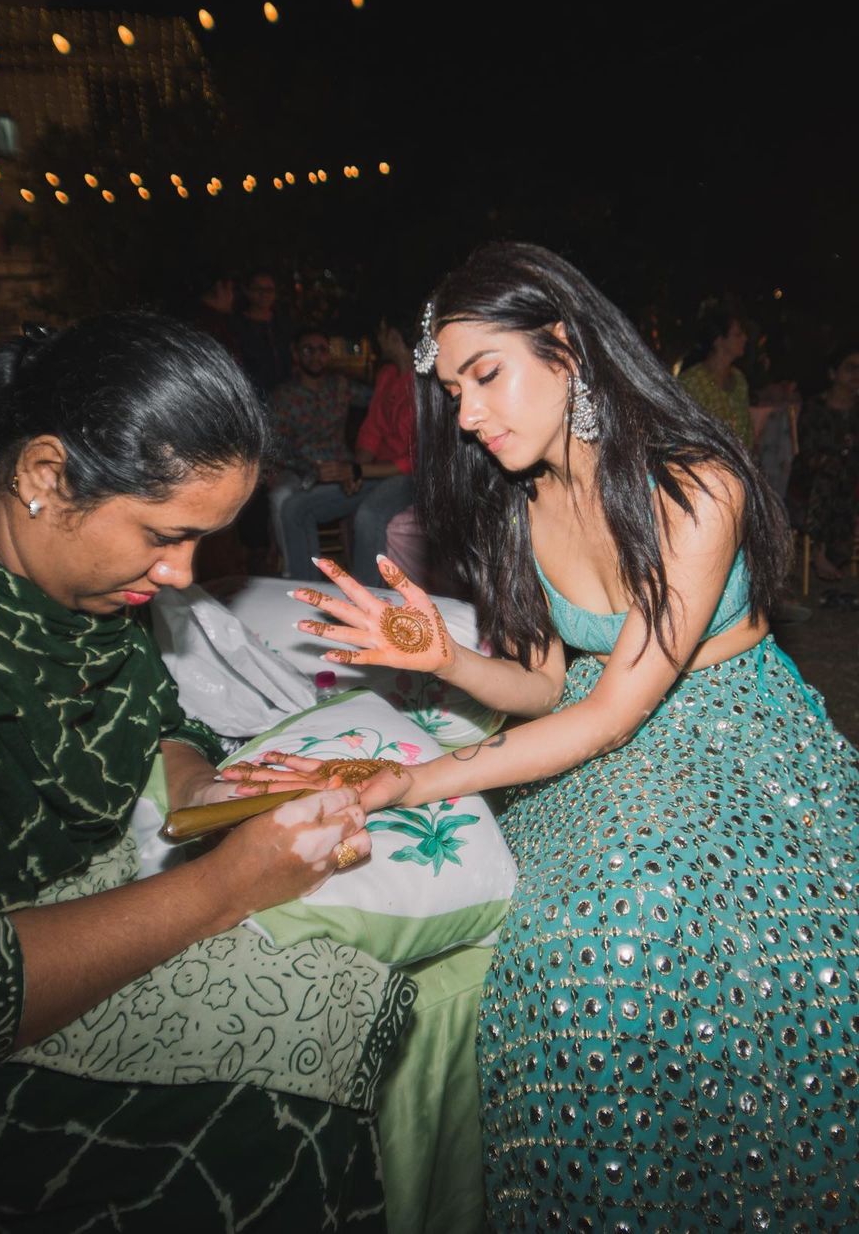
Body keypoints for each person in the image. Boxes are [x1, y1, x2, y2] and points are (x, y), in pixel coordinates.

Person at [227, 245, 859, 1230]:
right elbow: (551, 686)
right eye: (454, 391)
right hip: (596, 742)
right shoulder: (523, 504)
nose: (469, 415)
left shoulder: (697, 486)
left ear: (565, 349)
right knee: (533, 934)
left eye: (487, 375)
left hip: (735, 740)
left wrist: (402, 784)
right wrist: (443, 655)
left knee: (632, 923)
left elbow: (611, 711)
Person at [0, 313, 414, 1232]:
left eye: (203, 538)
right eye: (165, 534)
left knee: (343, 996)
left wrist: (199, 786)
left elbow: (153, 710)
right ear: (46, 475)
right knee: (254, 1142)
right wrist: (224, 889)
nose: (180, 572)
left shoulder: (53, 561)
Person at [279, 316, 416, 586]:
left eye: (382, 333)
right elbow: (372, 431)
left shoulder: (424, 384)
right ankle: (306, 590)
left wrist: (359, 469)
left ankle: (364, 603)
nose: (379, 339)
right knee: (295, 508)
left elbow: (415, 460)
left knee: (369, 516)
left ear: (394, 337)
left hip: (410, 476)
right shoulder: (388, 375)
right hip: (377, 470)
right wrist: (356, 470)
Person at [266, 327, 370, 576]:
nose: (316, 356)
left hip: (341, 466)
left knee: (372, 495)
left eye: (322, 350)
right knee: (279, 497)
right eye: (308, 350)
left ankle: (360, 574)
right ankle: (295, 573)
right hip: (299, 468)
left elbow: (380, 400)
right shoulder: (283, 396)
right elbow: (274, 445)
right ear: (296, 353)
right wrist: (311, 470)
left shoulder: (341, 386)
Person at [787, 344, 859, 582]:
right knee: (830, 474)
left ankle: (839, 555)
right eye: (850, 368)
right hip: (816, 476)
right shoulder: (816, 408)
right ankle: (820, 553)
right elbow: (807, 452)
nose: (856, 375)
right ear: (832, 374)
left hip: (850, 476)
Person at [678, 298, 755, 449]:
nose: (745, 339)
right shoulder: (693, 382)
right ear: (718, 340)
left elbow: (747, 432)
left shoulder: (739, 380)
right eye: (737, 334)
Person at [232, 269, 293, 396]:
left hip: (286, 392)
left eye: (269, 290)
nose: (264, 294)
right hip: (253, 392)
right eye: (258, 289)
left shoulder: (283, 322)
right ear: (247, 291)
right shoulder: (237, 325)